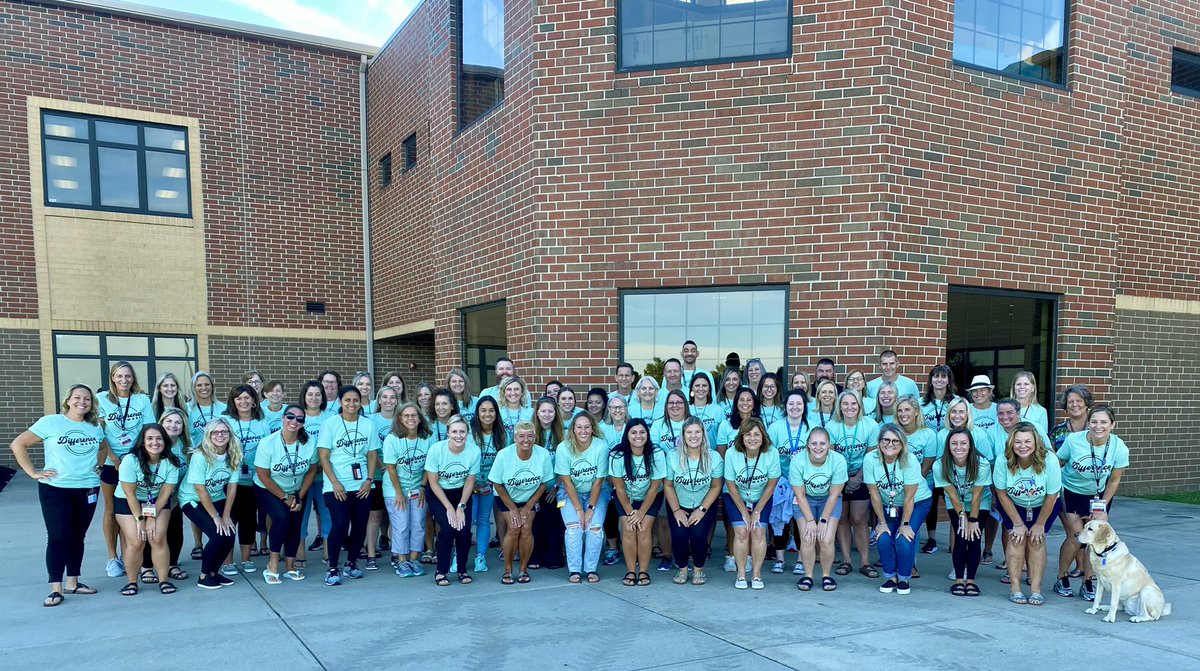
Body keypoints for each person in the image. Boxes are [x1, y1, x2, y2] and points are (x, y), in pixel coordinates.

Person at [10, 384, 107, 606]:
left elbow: (103, 448)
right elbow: (18, 444)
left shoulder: (94, 426)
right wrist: (33, 472)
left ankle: (73, 582)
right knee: (58, 537)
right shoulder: (51, 422)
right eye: (77, 397)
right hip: (56, 489)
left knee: (77, 536)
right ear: (68, 401)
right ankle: (56, 588)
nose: (82, 402)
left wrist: (99, 466)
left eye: (87, 399)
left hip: (88, 487)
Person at [1054, 405, 1128, 602]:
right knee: (1076, 537)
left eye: (1104, 422)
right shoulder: (1073, 440)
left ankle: (1088, 581)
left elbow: (1114, 480)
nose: (1098, 426)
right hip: (1070, 491)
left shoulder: (1119, 447)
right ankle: (1062, 577)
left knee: (1094, 540)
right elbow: (1057, 463)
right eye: (1094, 421)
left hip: (1099, 496)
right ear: (1088, 423)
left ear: (1112, 425)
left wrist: (1102, 506)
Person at [993, 422, 1063, 606]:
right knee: (1016, 539)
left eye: (1027, 441)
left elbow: (1052, 495)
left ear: (1036, 442)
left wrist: (1039, 525)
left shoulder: (1050, 460)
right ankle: (1015, 588)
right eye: (1018, 442)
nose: (1022, 446)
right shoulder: (1003, 460)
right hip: (1013, 504)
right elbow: (1001, 493)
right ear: (1011, 443)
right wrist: (1017, 523)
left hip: (1044, 505)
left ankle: (1036, 589)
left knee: (1036, 541)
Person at [97, 361, 155, 579]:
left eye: (128, 376)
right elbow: (100, 432)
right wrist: (113, 457)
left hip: (137, 461)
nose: (124, 380)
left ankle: (129, 554)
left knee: (135, 508)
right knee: (112, 509)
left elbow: (148, 429)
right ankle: (113, 558)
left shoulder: (141, 400)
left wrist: (136, 458)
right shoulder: (101, 399)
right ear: (112, 378)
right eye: (119, 376)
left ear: (133, 378)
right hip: (113, 464)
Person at [318, 386, 380, 585]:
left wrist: (369, 480)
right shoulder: (330, 424)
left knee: (360, 525)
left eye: (356, 400)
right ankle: (333, 567)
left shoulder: (367, 424)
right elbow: (324, 456)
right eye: (347, 400)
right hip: (336, 485)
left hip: (362, 485)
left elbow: (372, 454)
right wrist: (335, 483)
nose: (352, 404)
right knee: (340, 524)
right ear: (340, 402)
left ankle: (352, 563)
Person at [864, 424, 932, 595]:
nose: (890, 444)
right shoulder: (870, 459)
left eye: (896, 441)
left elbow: (910, 497)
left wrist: (905, 524)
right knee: (884, 536)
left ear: (902, 444)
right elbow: (874, 494)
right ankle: (890, 577)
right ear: (879, 442)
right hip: (890, 504)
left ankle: (903, 578)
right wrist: (881, 523)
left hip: (917, 502)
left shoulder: (910, 460)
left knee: (903, 538)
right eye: (886, 439)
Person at [253, 404, 318, 584]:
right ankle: (272, 563)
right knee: (281, 517)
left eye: (299, 419)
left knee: (295, 522)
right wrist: (285, 498)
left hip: (296, 489)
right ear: (283, 418)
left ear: (303, 423)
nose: (294, 421)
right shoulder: (268, 443)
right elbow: (263, 475)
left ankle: (290, 566)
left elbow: (312, 470)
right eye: (290, 416)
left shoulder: (309, 442)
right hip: (268, 488)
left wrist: (299, 496)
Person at [489, 422, 554, 584]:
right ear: (515, 438)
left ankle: (524, 569)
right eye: (522, 436)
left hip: (530, 497)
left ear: (535, 437)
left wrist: (527, 507)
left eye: (530, 436)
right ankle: (508, 570)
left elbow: (544, 483)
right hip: (506, 496)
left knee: (526, 528)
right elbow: (497, 484)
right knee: (513, 527)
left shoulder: (543, 454)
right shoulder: (504, 455)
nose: (526, 440)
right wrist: (513, 509)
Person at [180, 419, 240, 589]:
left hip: (216, 496)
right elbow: (200, 489)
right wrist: (216, 517)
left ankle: (214, 572)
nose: (220, 435)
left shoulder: (233, 453)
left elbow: (232, 488)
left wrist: (226, 516)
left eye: (224, 432)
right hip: (192, 499)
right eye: (215, 432)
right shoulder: (200, 456)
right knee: (218, 534)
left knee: (230, 533)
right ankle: (204, 576)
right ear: (208, 435)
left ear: (230, 435)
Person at [664, 417, 723, 586]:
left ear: (704, 434)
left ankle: (698, 570)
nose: (693, 436)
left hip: (704, 503)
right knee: (679, 534)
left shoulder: (714, 457)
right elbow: (668, 485)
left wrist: (701, 509)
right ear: (683, 435)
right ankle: (682, 569)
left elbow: (716, 486)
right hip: (678, 503)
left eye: (698, 432)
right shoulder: (673, 456)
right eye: (689, 432)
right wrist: (676, 510)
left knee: (698, 535)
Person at [723, 417, 781, 590]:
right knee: (741, 531)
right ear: (741, 437)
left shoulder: (772, 453)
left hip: (761, 496)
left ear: (763, 436)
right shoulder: (731, 453)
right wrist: (744, 511)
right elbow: (731, 485)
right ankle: (741, 574)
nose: (752, 438)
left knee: (759, 531)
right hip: (736, 496)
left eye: (757, 434)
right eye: (747, 434)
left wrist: (756, 511)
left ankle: (756, 574)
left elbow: (772, 484)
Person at [934, 428, 992, 597]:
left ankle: (971, 581)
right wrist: (963, 518)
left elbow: (977, 496)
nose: (958, 447)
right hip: (955, 503)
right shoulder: (940, 464)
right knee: (960, 537)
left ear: (970, 445)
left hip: (980, 503)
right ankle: (959, 580)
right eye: (954, 443)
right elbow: (951, 493)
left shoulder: (982, 463)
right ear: (948, 446)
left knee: (973, 537)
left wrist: (972, 520)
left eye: (963, 443)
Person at [425, 415, 481, 586]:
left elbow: (470, 480)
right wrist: (449, 508)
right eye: (454, 431)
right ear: (448, 433)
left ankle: (462, 570)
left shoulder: (474, 451)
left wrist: (461, 506)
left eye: (462, 432)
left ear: (467, 433)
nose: (458, 435)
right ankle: (441, 571)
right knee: (449, 529)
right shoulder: (436, 450)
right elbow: (433, 482)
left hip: (461, 493)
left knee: (463, 531)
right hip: (439, 494)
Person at [609, 419, 666, 586]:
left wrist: (641, 513)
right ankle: (630, 571)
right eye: (633, 432)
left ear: (647, 435)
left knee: (643, 529)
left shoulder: (656, 453)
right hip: (625, 497)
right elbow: (619, 487)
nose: (638, 436)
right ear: (627, 435)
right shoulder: (617, 454)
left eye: (642, 432)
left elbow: (654, 488)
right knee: (628, 528)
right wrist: (630, 512)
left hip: (651, 497)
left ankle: (643, 571)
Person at [555, 412, 611, 584]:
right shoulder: (563, 447)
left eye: (587, 427)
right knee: (574, 527)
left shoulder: (601, 446)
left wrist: (590, 509)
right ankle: (575, 569)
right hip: (569, 492)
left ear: (593, 428)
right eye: (579, 427)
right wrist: (579, 509)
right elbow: (566, 481)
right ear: (573, 429)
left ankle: (591, 568)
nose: (583, 431)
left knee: (594, 527)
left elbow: (599, 481)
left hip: (598, 491)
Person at [789, 427, 846, 592]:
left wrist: (822, 521)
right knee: (808, 537)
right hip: (805, 499)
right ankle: (808, 575)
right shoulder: (798, 461)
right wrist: (810, 521)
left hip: (829, 500)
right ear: (807, 445)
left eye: (822, 443)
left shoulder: (838, 460)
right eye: (814, 443)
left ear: (829, 445)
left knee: (826, 538)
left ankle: (826, 575)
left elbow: (834, 495)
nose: (818, 447)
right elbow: (800, 496)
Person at [830, 390, 880, 579]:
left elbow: (872, 456)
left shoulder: (870, 425)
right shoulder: (832, 426)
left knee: (859, 519)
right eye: (845, 404)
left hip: (862, 475)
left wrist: (857, 478)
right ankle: (846, 560)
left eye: (853, 404)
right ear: (839, 406)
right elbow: (832, 457)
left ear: (859, 406)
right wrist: (844, 480)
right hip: (839, 477)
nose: (849, 407)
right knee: (842, 518)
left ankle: (865, 562)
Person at [382, 402, 432, 578]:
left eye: (414, 415)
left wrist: (423, 487)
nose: (411, 418)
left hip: (418, 487)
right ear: (400, 419)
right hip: (395, 488)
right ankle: (401, 561)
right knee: (401, 524)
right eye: (406, 415)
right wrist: (398, 493)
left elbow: (429, 466)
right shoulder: (392, 439)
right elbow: (391, 468)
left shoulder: (427, 438)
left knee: (418, 523)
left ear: (419, 418)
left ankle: (414, 559)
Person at [223, 384, 268, 575]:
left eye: (247, 398)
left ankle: (247, 559)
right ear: (233, 401)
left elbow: (267, 448)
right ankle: (228, 561)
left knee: (249, 520)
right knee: (229, 520)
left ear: (254, 400)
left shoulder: (262, 421)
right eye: (239, 398)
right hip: (229, 479)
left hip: (254, 480)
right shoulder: (225, 420)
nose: (243, 401)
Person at [767, 388, 811, 576]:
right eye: (791, 403)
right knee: (779, 521)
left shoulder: (812, 428)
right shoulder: (776, 427)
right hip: (781, 480)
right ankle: (780, 559)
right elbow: (770, 456)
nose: (795, 407)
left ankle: (801, 560)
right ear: (785, 406)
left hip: (804, 481)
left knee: (801, 520)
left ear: (804, 406)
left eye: (799, 403)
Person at [715, 387, 759, 572]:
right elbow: (722, 453)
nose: (745, 403)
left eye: (749, 400)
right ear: (736, 403)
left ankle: (748, 557)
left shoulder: (759, 424)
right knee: (732, 521)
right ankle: (731, 556)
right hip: (733, 481)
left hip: (756, 482)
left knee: (751, 522)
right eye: (741, 399)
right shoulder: (726, 425)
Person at [147, 408, 191, 585]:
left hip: (175, 495)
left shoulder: (186, 445)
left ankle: (172, 564)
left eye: (178, 422)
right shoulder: (154, 443)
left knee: (175, 529)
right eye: (169, 421)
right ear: (161, 423)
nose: (173, 425)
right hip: (152, 495)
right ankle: (147, 567)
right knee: (150, 531)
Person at [650, 389, 690, 570]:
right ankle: (667, 556)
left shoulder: (692, 423)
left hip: (687, 479)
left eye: (679, 402)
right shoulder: (659, 425)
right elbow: (653, 450)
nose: (675, 406)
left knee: (688, 520)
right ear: (666, 406)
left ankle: (683, 557)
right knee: (666, 520)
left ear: (685, 405)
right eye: (671, 403)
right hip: (665, 478)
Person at [893, 396, 938, 555]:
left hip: (921, 485)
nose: (903, 414)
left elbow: (928, 462)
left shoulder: (928, 434)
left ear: (917, 412)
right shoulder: (893, 432)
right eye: (899, 410)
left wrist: (913, 484)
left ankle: (910, 563)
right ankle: (896, 556)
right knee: (895, 522)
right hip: (895, 487)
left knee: (912, 524)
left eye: (907, 410)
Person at [468, 396, 504, 573]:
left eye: (491, 410)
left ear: (496, 413)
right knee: (466, 522)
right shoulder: (469, 433)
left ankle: (480, 557)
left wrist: (490, 483)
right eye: (483, 410)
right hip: (469, 484)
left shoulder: (502, 434)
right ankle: (458, 557)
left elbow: (504, 461)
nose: (487, 414)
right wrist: (473, 484)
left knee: (483, 520)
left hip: (489, 485)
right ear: (477, 413)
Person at [367, 386, 400, 569]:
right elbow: (370, 448)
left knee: (396, 517)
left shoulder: (401, 419)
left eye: (392, 397)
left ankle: (396, 552)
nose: (389, 400)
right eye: (385, 397)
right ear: (378, 400)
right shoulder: (372, 420)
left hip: (396, 476)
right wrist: (382, 466)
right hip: (378, 475)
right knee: (375, 516)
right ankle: (371, 554)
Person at [298, 381, 331, 561]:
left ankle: (328, 553)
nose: (314, 398)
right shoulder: (298, 416)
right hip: (303, 476)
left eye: (318, 394)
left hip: (325, 475)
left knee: (327, 514)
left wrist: (321, 465)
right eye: (310, 394)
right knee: (301, 516)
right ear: (304, 396)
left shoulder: (330, 418)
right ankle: (300, 553)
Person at [530, 398, 565, 569]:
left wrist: (557, 486)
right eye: (543, 411)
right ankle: (535, 555)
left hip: (556, 487)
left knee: (554, 521)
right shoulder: (531, 434)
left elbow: (567, 463)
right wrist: (536, 491)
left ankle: (554, 557)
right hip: (533, 487)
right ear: (537, 413)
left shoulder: (563, 434)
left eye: (550, 411)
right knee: (535, 521)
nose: (547, 414)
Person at [1050, 385, 1093, 451]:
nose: (1074, 404)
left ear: (1086, 404)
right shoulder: (1057, 431)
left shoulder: (1095, 428)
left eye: (1079, 401)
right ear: (1066, 405)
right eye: (1070, 402)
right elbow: (1052, 458)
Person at [687, 372, 722, 447]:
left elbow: (722, 438)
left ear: (709, 388)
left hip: (713, 455)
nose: (701, 388)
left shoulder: (718, 410)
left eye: (704, 385)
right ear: (692, 388)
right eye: (697, 385)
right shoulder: (685, 408)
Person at [920, 365, 958, 432]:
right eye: (936, 376)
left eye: (943, 376)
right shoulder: (920, 402)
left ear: (948, 380)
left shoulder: (956, 401)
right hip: (928, 441)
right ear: (931, 379)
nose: (939, 380)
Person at [497, 376, 533, 441]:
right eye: (509, 389)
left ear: (522, 392)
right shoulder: (497, 411)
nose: (513, 393)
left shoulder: (531, 412)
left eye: (516, 389)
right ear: (504, 392)